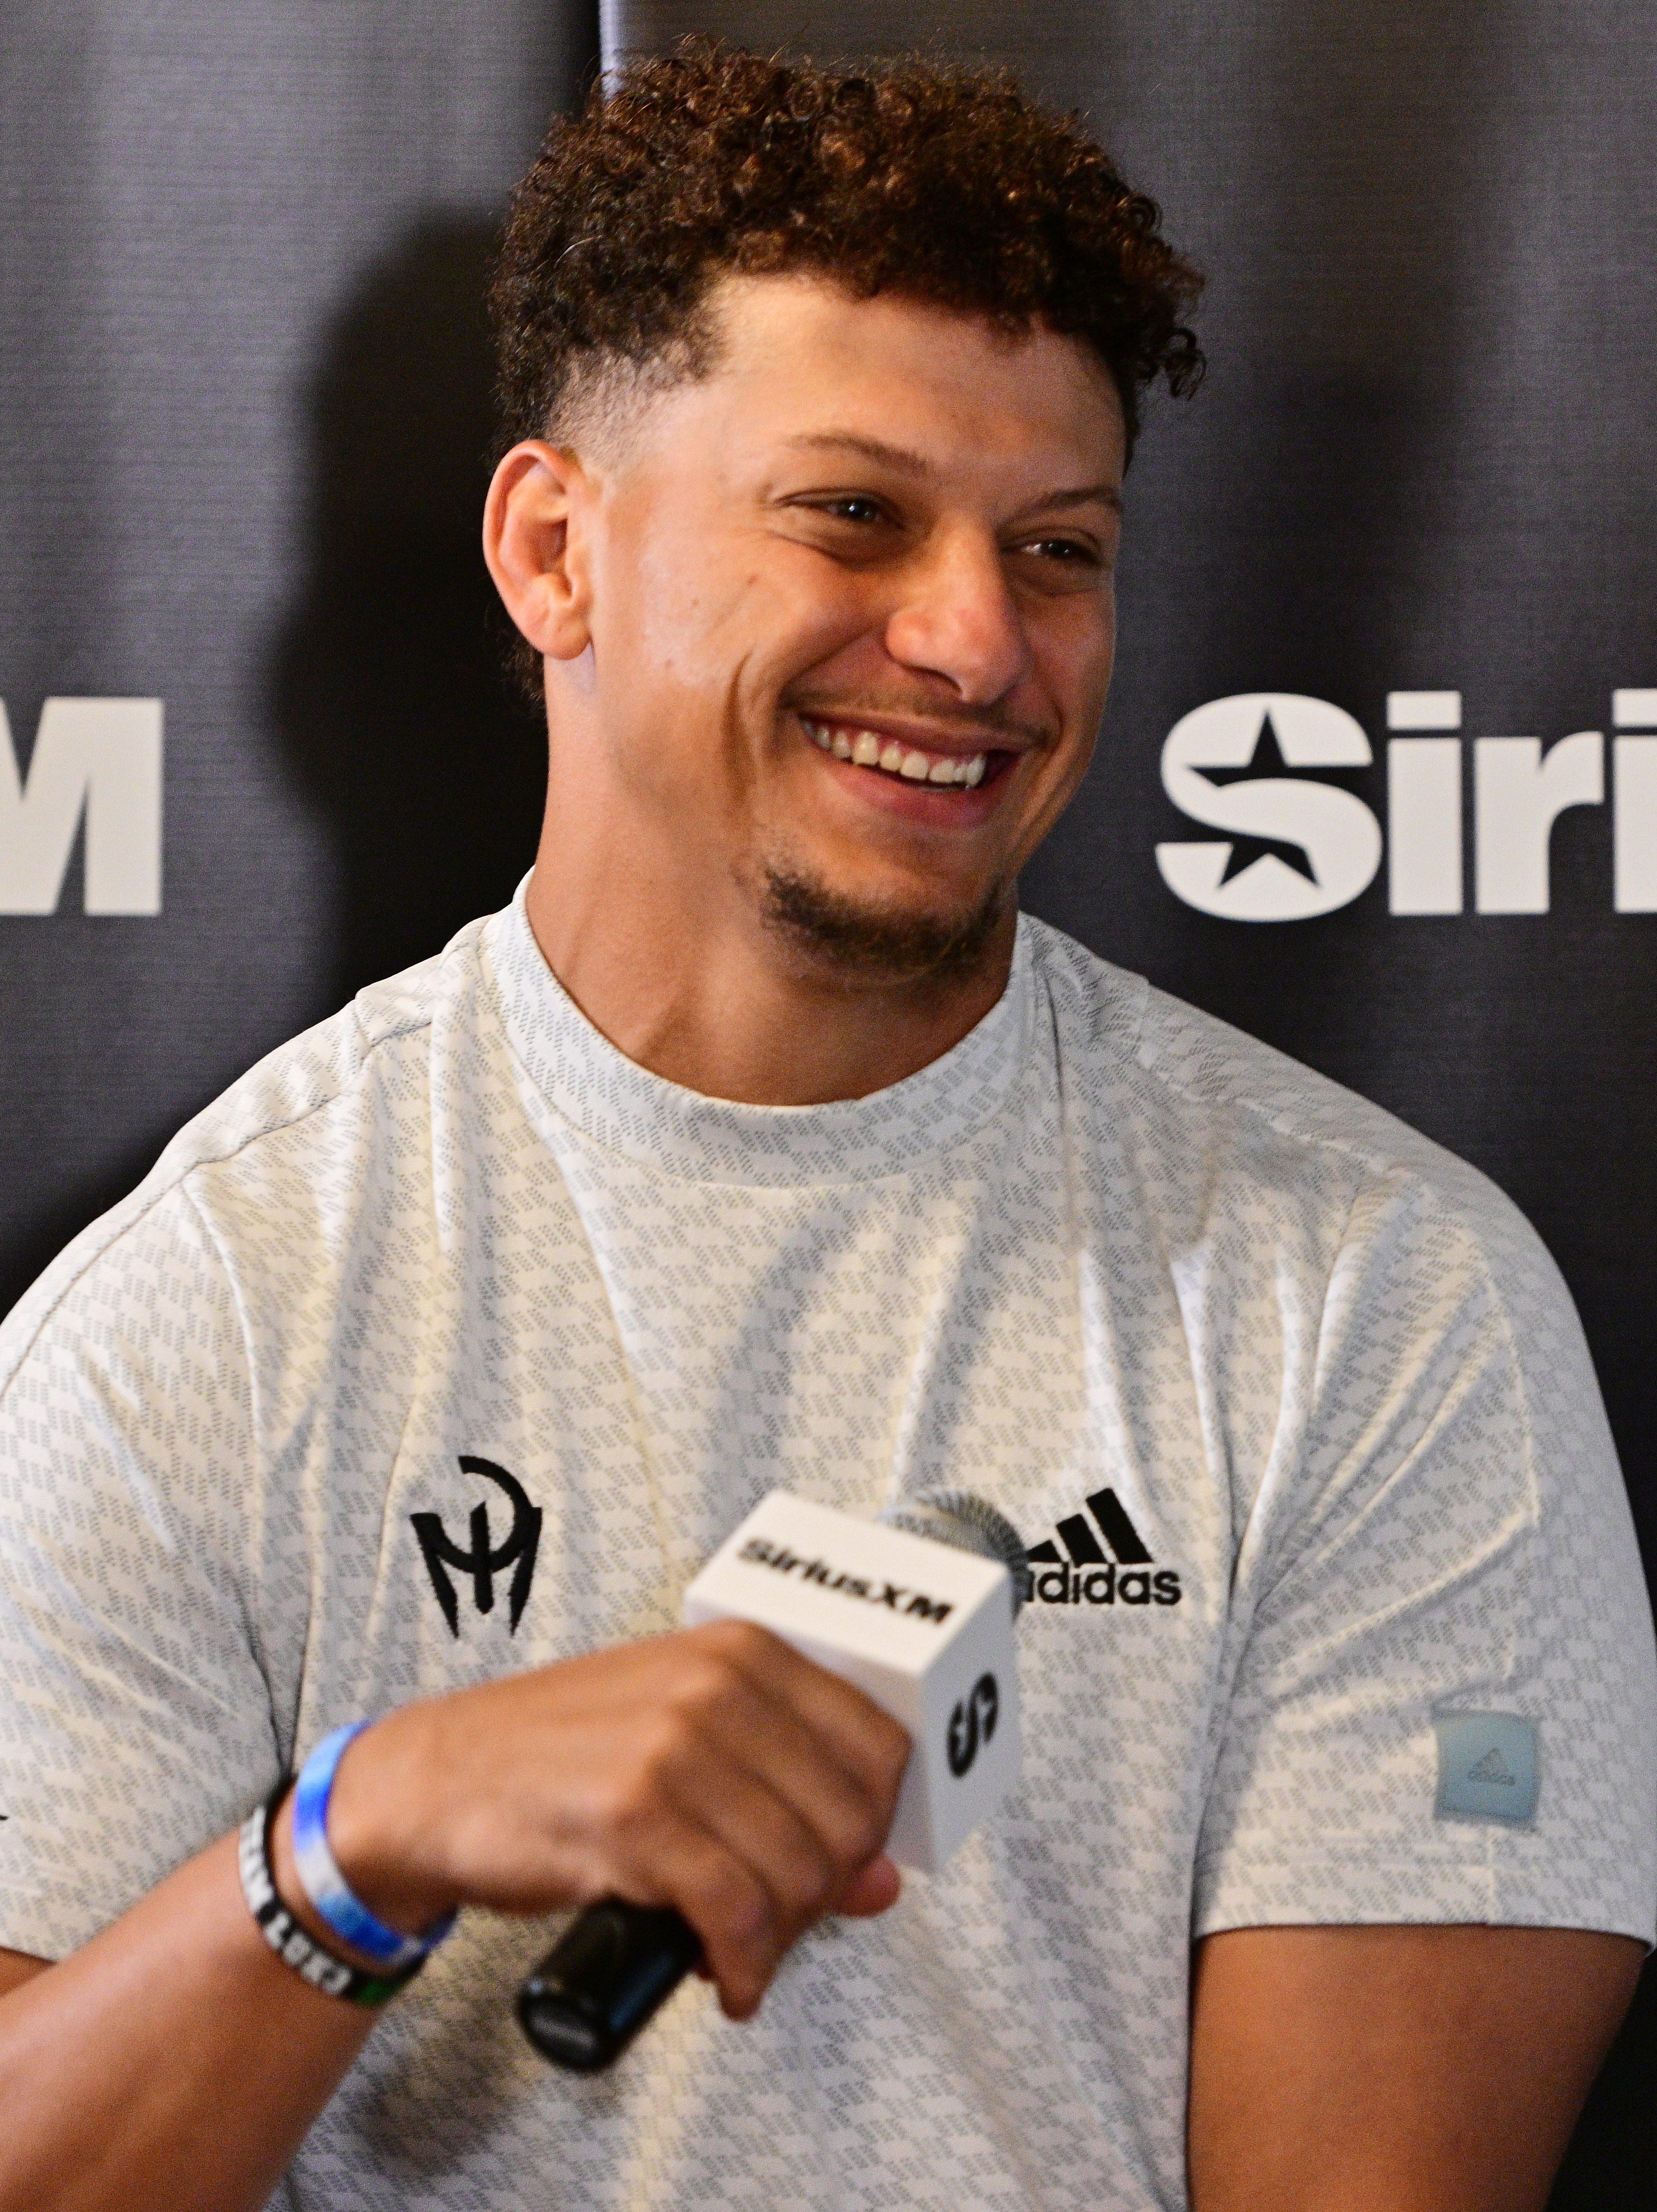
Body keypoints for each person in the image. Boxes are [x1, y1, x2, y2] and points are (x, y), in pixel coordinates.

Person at [0, 39, 1652, 2212]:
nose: (978, 640)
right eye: (854, 514)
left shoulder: (1378, 1295)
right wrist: (362, 1834)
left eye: (1056, 547)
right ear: (553, 550)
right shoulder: (206, 1301)